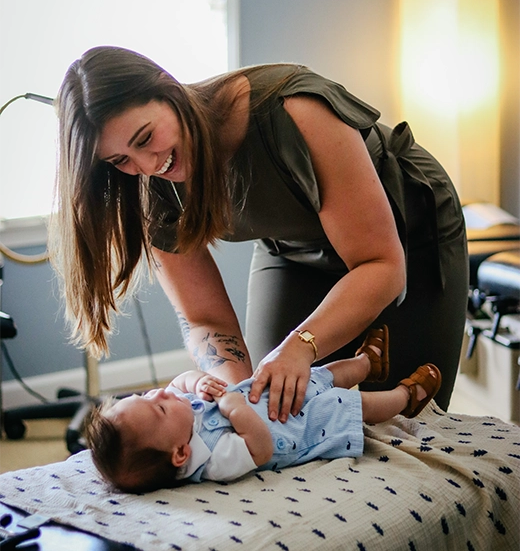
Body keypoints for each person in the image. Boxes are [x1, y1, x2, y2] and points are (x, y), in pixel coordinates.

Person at [50, 46, 468, 422]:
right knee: (276, 407)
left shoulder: (294, 109)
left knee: (409, 424)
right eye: (121, 158)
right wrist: (234, 395)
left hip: (408, 237)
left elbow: (382, 265)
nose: (147, 164)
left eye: (146, 137)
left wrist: (302, 345)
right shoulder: (144, 185)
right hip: (294, 251)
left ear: (168, 88)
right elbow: (204, 318)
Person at [85, 326, 442, 493]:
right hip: (296, 428)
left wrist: (194, 382)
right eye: (158, 409)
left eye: (147, 395)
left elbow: (179, 383)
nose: (160, 397)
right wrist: (233, 406)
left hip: (274, 395)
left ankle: (366, 363)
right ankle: (404, 398)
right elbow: (259, 447)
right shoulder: (211, 460)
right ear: (180, 454)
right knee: (346, 404)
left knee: (319, 375)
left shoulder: (175, 413)